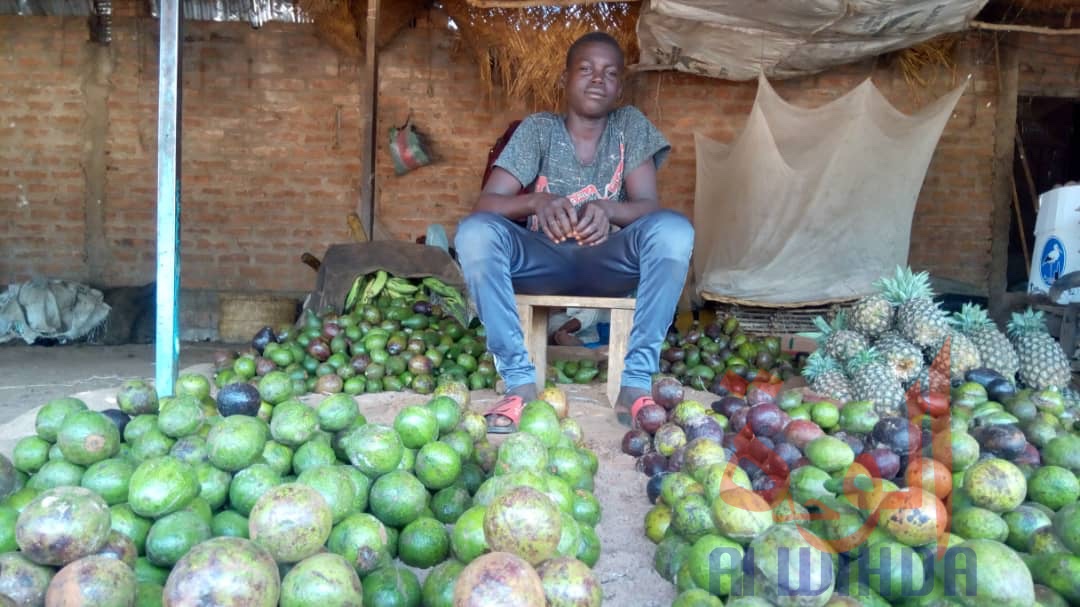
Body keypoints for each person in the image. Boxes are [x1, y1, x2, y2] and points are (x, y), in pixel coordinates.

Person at [453, 31, 694, 432]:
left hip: (607, 263)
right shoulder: (538, 130)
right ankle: (518, 383)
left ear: (619, 88)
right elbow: (487, 204)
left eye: (610, 73)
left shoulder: (629, 127)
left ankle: (635, 383)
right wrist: (536, 202)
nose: (598, 79)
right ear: (564, 80)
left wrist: (609, 210)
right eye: (586, 69)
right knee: (475, 233)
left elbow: (649, 207)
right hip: (542, 261)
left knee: (674, 231)